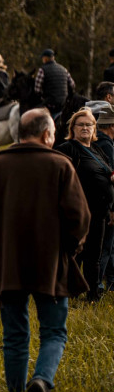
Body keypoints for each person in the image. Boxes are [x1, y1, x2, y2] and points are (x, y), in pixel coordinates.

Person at [0, 109, 90, 392]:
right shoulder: (60, 164)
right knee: (53, 331)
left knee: (15, 334)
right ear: (48, 134)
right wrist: (69, 250)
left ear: (20, 133)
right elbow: (80, 219)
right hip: (51, 265)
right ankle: (42, 380)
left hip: (8, 264)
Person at [55, 108, 113, 301]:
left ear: (95, 128)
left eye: (89, 124)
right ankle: (68, 292)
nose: (85, 128)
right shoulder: (68, 148)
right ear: (73, 128)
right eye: (81, 124)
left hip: (100, 212)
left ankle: (92, 295)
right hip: (77, 212)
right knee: (74, 254)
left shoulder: (97, 149)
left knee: (93, 256)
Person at [92, 104, 114, 293]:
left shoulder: (97, 141)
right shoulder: (107, 144)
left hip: (97, 202)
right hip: (105, 204)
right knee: (105, 248)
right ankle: (97, 285)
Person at [35, 49, 76, 119]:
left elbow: (37, 89)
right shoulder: (64, 69)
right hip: (63, 104)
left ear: (45, 58)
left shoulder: (42, 70)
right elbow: (72, 85)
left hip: (50, 104)